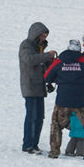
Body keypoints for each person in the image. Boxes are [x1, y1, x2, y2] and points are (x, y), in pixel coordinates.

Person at [44, 39, 84, 161]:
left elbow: (47, 77)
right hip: (81, 101)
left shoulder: (59, 61)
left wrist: (60, 77)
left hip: (62, 101)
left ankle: (54, 152)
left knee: (56, 125)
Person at [19, 22, 56, 153]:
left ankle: (34, 144)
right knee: (32, 116)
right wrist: (47, 56)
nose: (44, 37)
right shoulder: (26, 46)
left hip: (40, 87)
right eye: (42, 35)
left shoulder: (40, 48)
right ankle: (28, 144)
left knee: (40, 117)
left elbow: (42, 65)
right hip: (30, 86)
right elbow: (29, 60)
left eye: (45, 35)